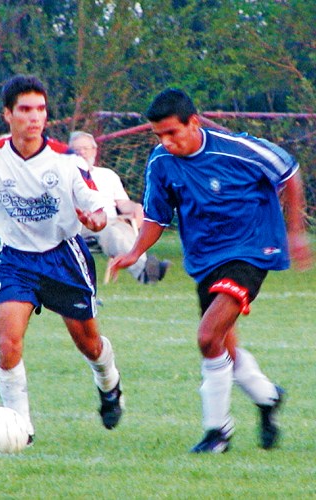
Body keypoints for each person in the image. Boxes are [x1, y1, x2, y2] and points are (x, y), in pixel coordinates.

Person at [0, 75, 124, 442]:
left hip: (63, 257)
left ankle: (109, 382)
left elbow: (97, 203)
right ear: (8, 114)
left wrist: (98, 218)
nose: (34, 117)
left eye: (41, 110)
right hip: (16, 261)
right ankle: (21, 428)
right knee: (7, 344)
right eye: (25, 110)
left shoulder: (66, 160)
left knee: (89, 344)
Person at [109, 88, 313, 453]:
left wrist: (295, 233)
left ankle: (217, 432)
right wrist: (134, 252)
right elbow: (156, 217)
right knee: (222, 344)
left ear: (194, 122)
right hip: (205, 259)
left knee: (207, 336)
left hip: (251, 251)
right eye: (159, 135)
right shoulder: (161, 163)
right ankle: (267, 398)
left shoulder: (237, 149)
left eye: (173, 132)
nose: (166, 142)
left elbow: (289, 174)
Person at [69, 131, 170, 284]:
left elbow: (123, 204)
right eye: (76, 150)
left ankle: (146, 267)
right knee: (111, 231)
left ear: (94, 151)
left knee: (124, 229)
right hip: (85, 224)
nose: (82, 153)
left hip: (113, 220)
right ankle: (144, 270)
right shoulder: (67, 176)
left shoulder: (108, 175)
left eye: (86, 148)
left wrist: (136, 207)